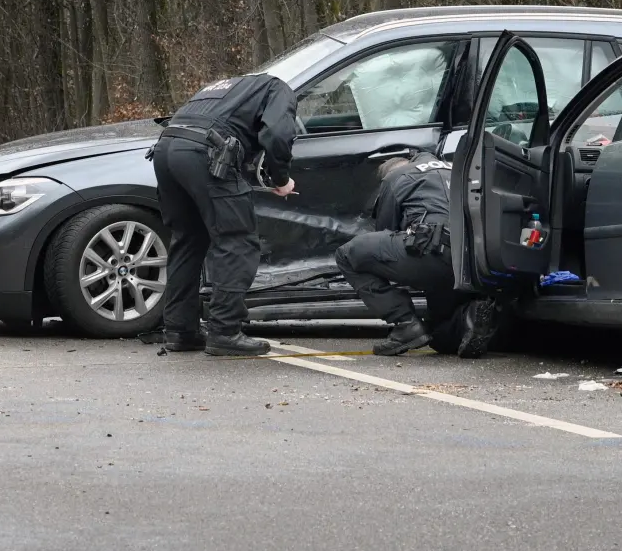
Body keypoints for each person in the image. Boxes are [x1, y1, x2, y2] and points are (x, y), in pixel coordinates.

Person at [148, 72, 298, 356]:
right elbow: (278, 133)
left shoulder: (224, 86)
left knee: (187, 240)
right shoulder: (278, 87)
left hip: (166, 150)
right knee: (237, 241)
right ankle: (225, 331)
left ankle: (180, 331)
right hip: (205, 152)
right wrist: (281, 179)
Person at [334, 150, 498, 357]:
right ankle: (470, 316)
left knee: (347, 255)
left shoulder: (396, 177)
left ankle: (405, 323)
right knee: (439, 336)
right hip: (476, 261)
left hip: (434, 253)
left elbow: (386, 230)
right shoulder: (460, 172)